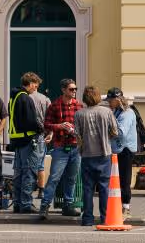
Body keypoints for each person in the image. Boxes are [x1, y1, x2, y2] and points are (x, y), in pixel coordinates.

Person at [38, 78, 83, 219]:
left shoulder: (79, 106)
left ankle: (68, 205)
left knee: (72, 178)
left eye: (75, 89)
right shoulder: (55, 106)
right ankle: (44, 206)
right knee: (54, 178)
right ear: (63, 90)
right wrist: (60, 126)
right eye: (71, 89)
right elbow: (46, 124)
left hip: (75, 147)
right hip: (60, 147)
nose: (74, 91)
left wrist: (75, 129)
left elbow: (83, 125)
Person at [74, 86, 118, 227]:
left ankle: (87, 218)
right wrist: (106, 137)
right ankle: (105, 217)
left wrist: (81, 147)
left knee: (88, 188)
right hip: (104, 153)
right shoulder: (107, 112)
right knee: (104, 187)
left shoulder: (79, 114)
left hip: (87, 154)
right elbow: (115, 131)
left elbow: (77, 135)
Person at [8, 71, 45, 213]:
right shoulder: (26, 98)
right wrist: (41, 128)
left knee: (19, 173)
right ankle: (26, 204)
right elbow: (30, 121)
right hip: (28, 140)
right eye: (35, 85)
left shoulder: (14, 97)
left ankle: (17, 203)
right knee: (29, 172)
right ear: (29, 84)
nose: (36, 88)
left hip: (17, 140)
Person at [107, 88, 136, 217]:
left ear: (118, 100)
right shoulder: (116, 111)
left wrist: (108, 129)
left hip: (125, 150)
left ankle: (126, 207)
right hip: (117, 149)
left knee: (124, 179)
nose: (109, 102)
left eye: (110, 100)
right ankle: (118, 206)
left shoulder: (127, 113)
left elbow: (121, 133)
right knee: (116, 180)